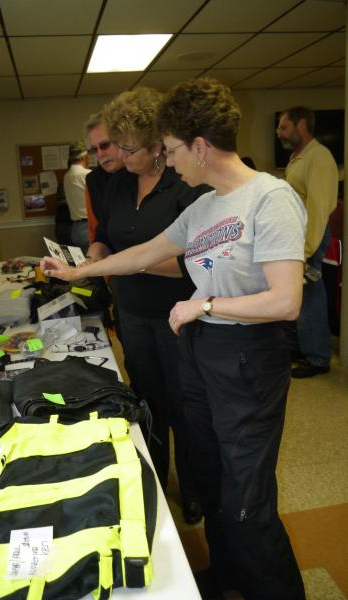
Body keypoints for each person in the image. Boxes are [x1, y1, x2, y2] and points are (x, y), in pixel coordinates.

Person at [41, 77, 307, 600]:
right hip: (200, 350)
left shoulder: (269, 198)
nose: (169, 159)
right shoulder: (204, 208)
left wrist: (204, 305)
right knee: (210, 479)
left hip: (248, 357)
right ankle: (228, 581)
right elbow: (143, 254)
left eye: (172, 149)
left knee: (246, 496)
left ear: (200, 147)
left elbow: (285, 301)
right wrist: (78, 273)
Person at [60, 87, 210, 525]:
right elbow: (106, 235)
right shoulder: (119, 183)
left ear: (157, 145)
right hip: (133, 313)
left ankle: (194, 488)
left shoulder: (184, 185)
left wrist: (128, 263)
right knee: (147, 400)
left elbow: (190, 263)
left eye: (129, 149)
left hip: (177, 315)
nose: (121, 157)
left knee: (184, 405)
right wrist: (94, 258)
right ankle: (157, 481)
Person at [277, 106, 338, 378]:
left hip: (311, 236)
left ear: (301, 124)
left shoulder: (319, 157)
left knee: (312, 296)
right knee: (301, 296)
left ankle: (318, 358)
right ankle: (304, 348)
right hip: (299, 236)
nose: (279, 133)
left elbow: (318, 207)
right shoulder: (298, 157)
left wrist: (305, 250)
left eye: (284, 127)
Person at [83, 112, 125, 243]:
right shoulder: (93, 180)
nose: (100, 154)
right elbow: (94, 230)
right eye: (93, 150)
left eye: (105, 145)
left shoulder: (141, 172)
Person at [63, 141, 91, 253]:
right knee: (94, 262)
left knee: (82, 261)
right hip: (88, 227)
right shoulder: (87, 174)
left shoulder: (67, 176)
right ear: (85, 156)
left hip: (75, 229)